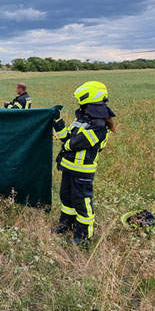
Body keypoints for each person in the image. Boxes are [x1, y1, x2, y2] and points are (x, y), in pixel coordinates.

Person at [52, 81, 116, 245]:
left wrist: (66, 145)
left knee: (82, 203)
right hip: (68, 168)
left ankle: (83, 237)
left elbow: (74, 143)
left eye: (82, 102)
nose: (81, 106)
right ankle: (65, 225)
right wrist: (57, 122)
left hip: (82, 173)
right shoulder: (82, 119)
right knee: (66, 199)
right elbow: (66, 136)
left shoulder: (99, 126)